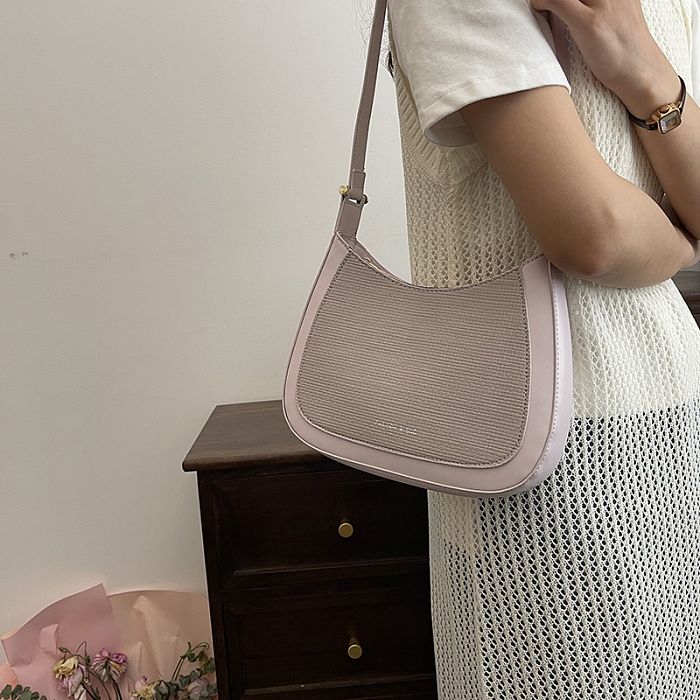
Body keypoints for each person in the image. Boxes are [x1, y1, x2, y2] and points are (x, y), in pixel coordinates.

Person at [371, 0, 700, 697]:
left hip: (674, 422)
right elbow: (594, 234)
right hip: (540, 453)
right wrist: (684, 242)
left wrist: (641, 66)